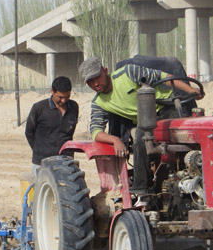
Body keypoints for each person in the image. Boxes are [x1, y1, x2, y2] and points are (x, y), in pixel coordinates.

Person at [78, 57, 203, 194]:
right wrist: (115, 139)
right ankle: (142, 188)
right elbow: (95, 132)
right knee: (140, 138)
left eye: (97, 77)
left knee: (188, 133)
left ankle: (198, 172)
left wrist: (190, 90)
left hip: (168, 107)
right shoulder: (99, 103)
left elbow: (164, 77)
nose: (96, 84)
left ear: (105, 71)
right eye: (90, 82)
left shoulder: (128, 73)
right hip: (147, 120)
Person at [25, 76, 79, 175]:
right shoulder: (39, 108)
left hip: (66, 161)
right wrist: (39, 150)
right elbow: (29, 132)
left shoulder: (74, 107)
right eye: (60, 97)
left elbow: (70, 131)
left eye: (67, 97)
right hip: (42, 162)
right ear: (52, 91)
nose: (63, 101)